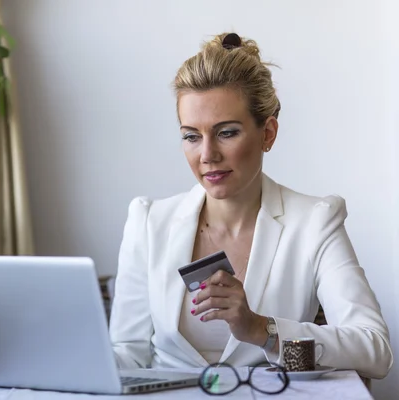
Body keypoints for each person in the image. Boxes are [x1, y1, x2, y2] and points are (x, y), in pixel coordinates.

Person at [108, 32, 392, 379]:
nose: (207, 155)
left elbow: (375, 350)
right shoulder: (149, 222)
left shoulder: (314, 223)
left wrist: (262, 330)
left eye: (226, 132)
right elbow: (127, 356)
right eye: (191, 136)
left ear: (267, 133)